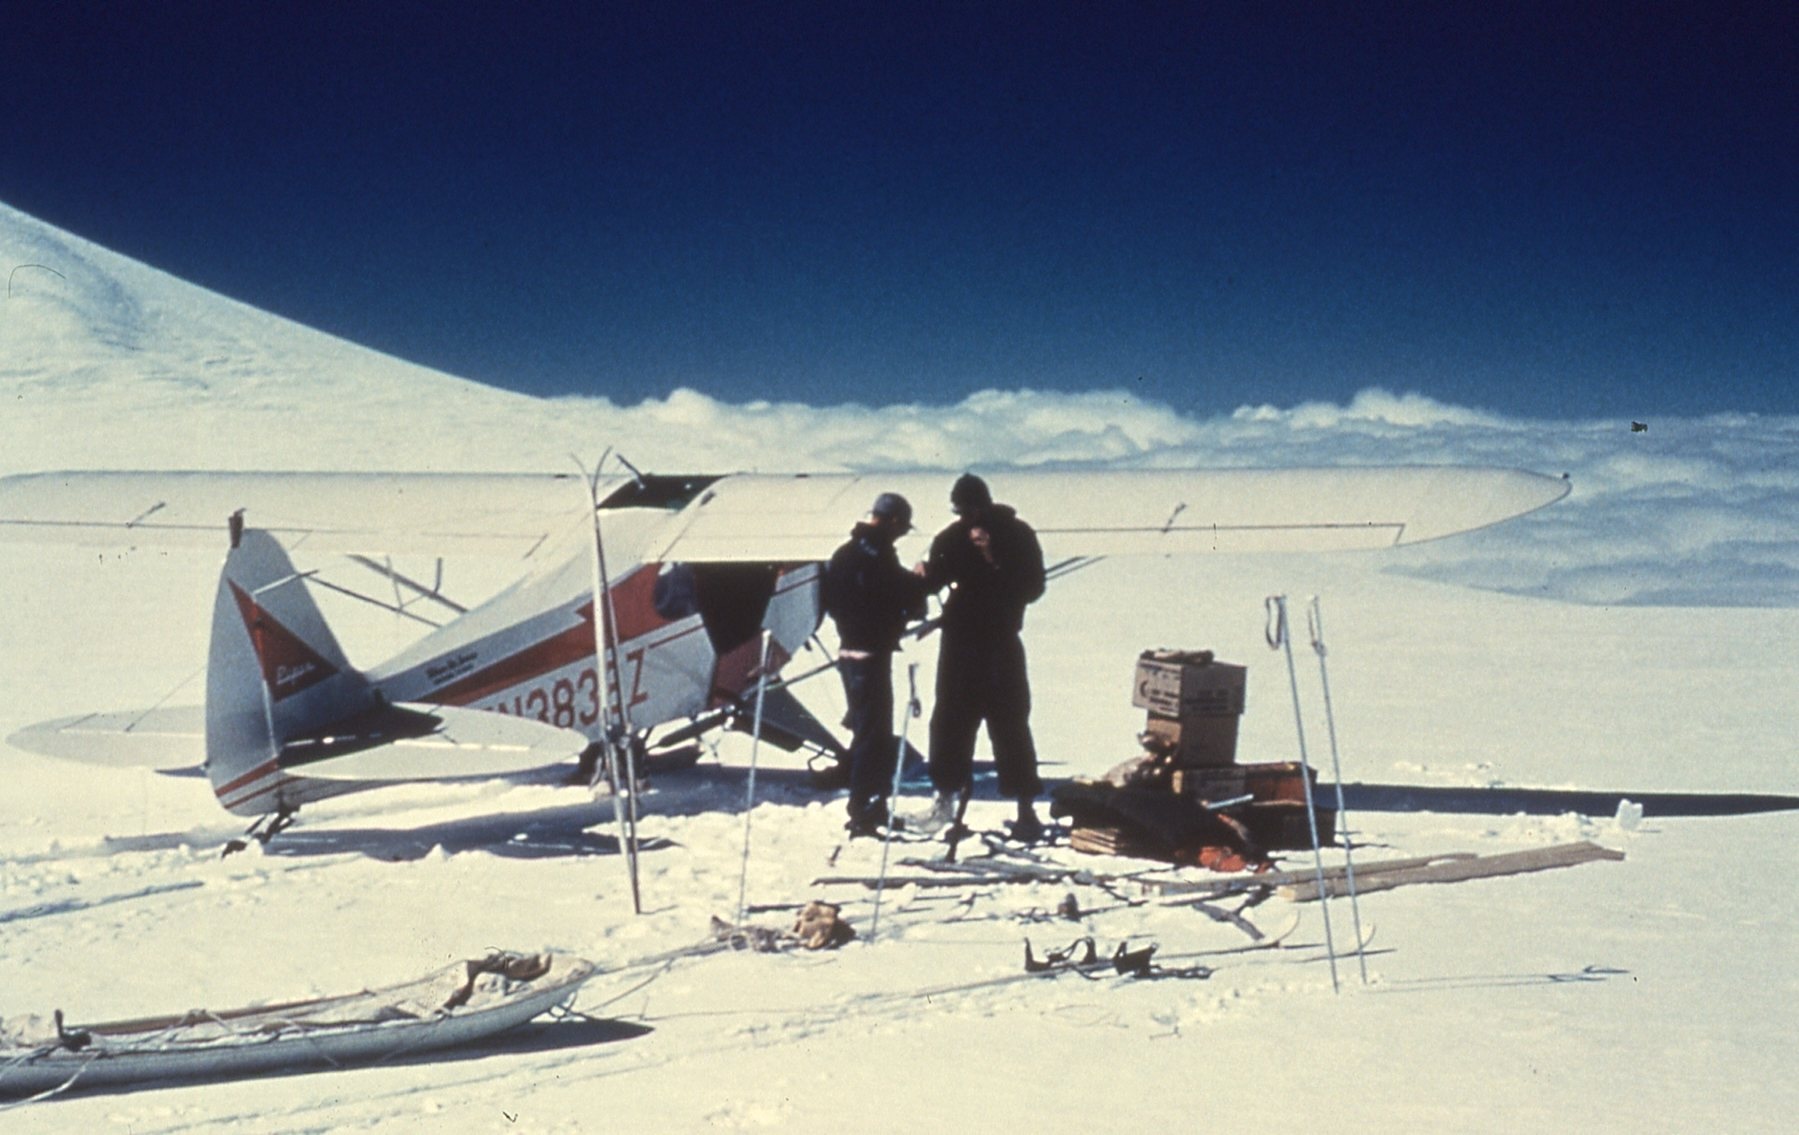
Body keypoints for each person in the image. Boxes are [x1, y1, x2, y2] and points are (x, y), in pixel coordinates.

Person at [915, 473, 1048, 841]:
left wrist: (992, 557)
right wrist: (919, 579)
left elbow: (1033, 587)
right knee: (951, 724)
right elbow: (933, 582)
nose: (968, 518)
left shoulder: (1017, 535)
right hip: (961, 642)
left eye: (971, 510)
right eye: (962, 511)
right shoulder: (950, 538)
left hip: (999, 642)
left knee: (1009, 724)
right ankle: (947, 800)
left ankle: (1025, 808)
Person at [822, 492, 929, 837]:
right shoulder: (878, 556)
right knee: (873, 736)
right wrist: (920, 582)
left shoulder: (844, 555)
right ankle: (864, 810)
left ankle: (872, 806)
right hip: (870, 657)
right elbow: (898, 592)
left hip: (848, 653)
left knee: (868, 732)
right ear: (894, 522)